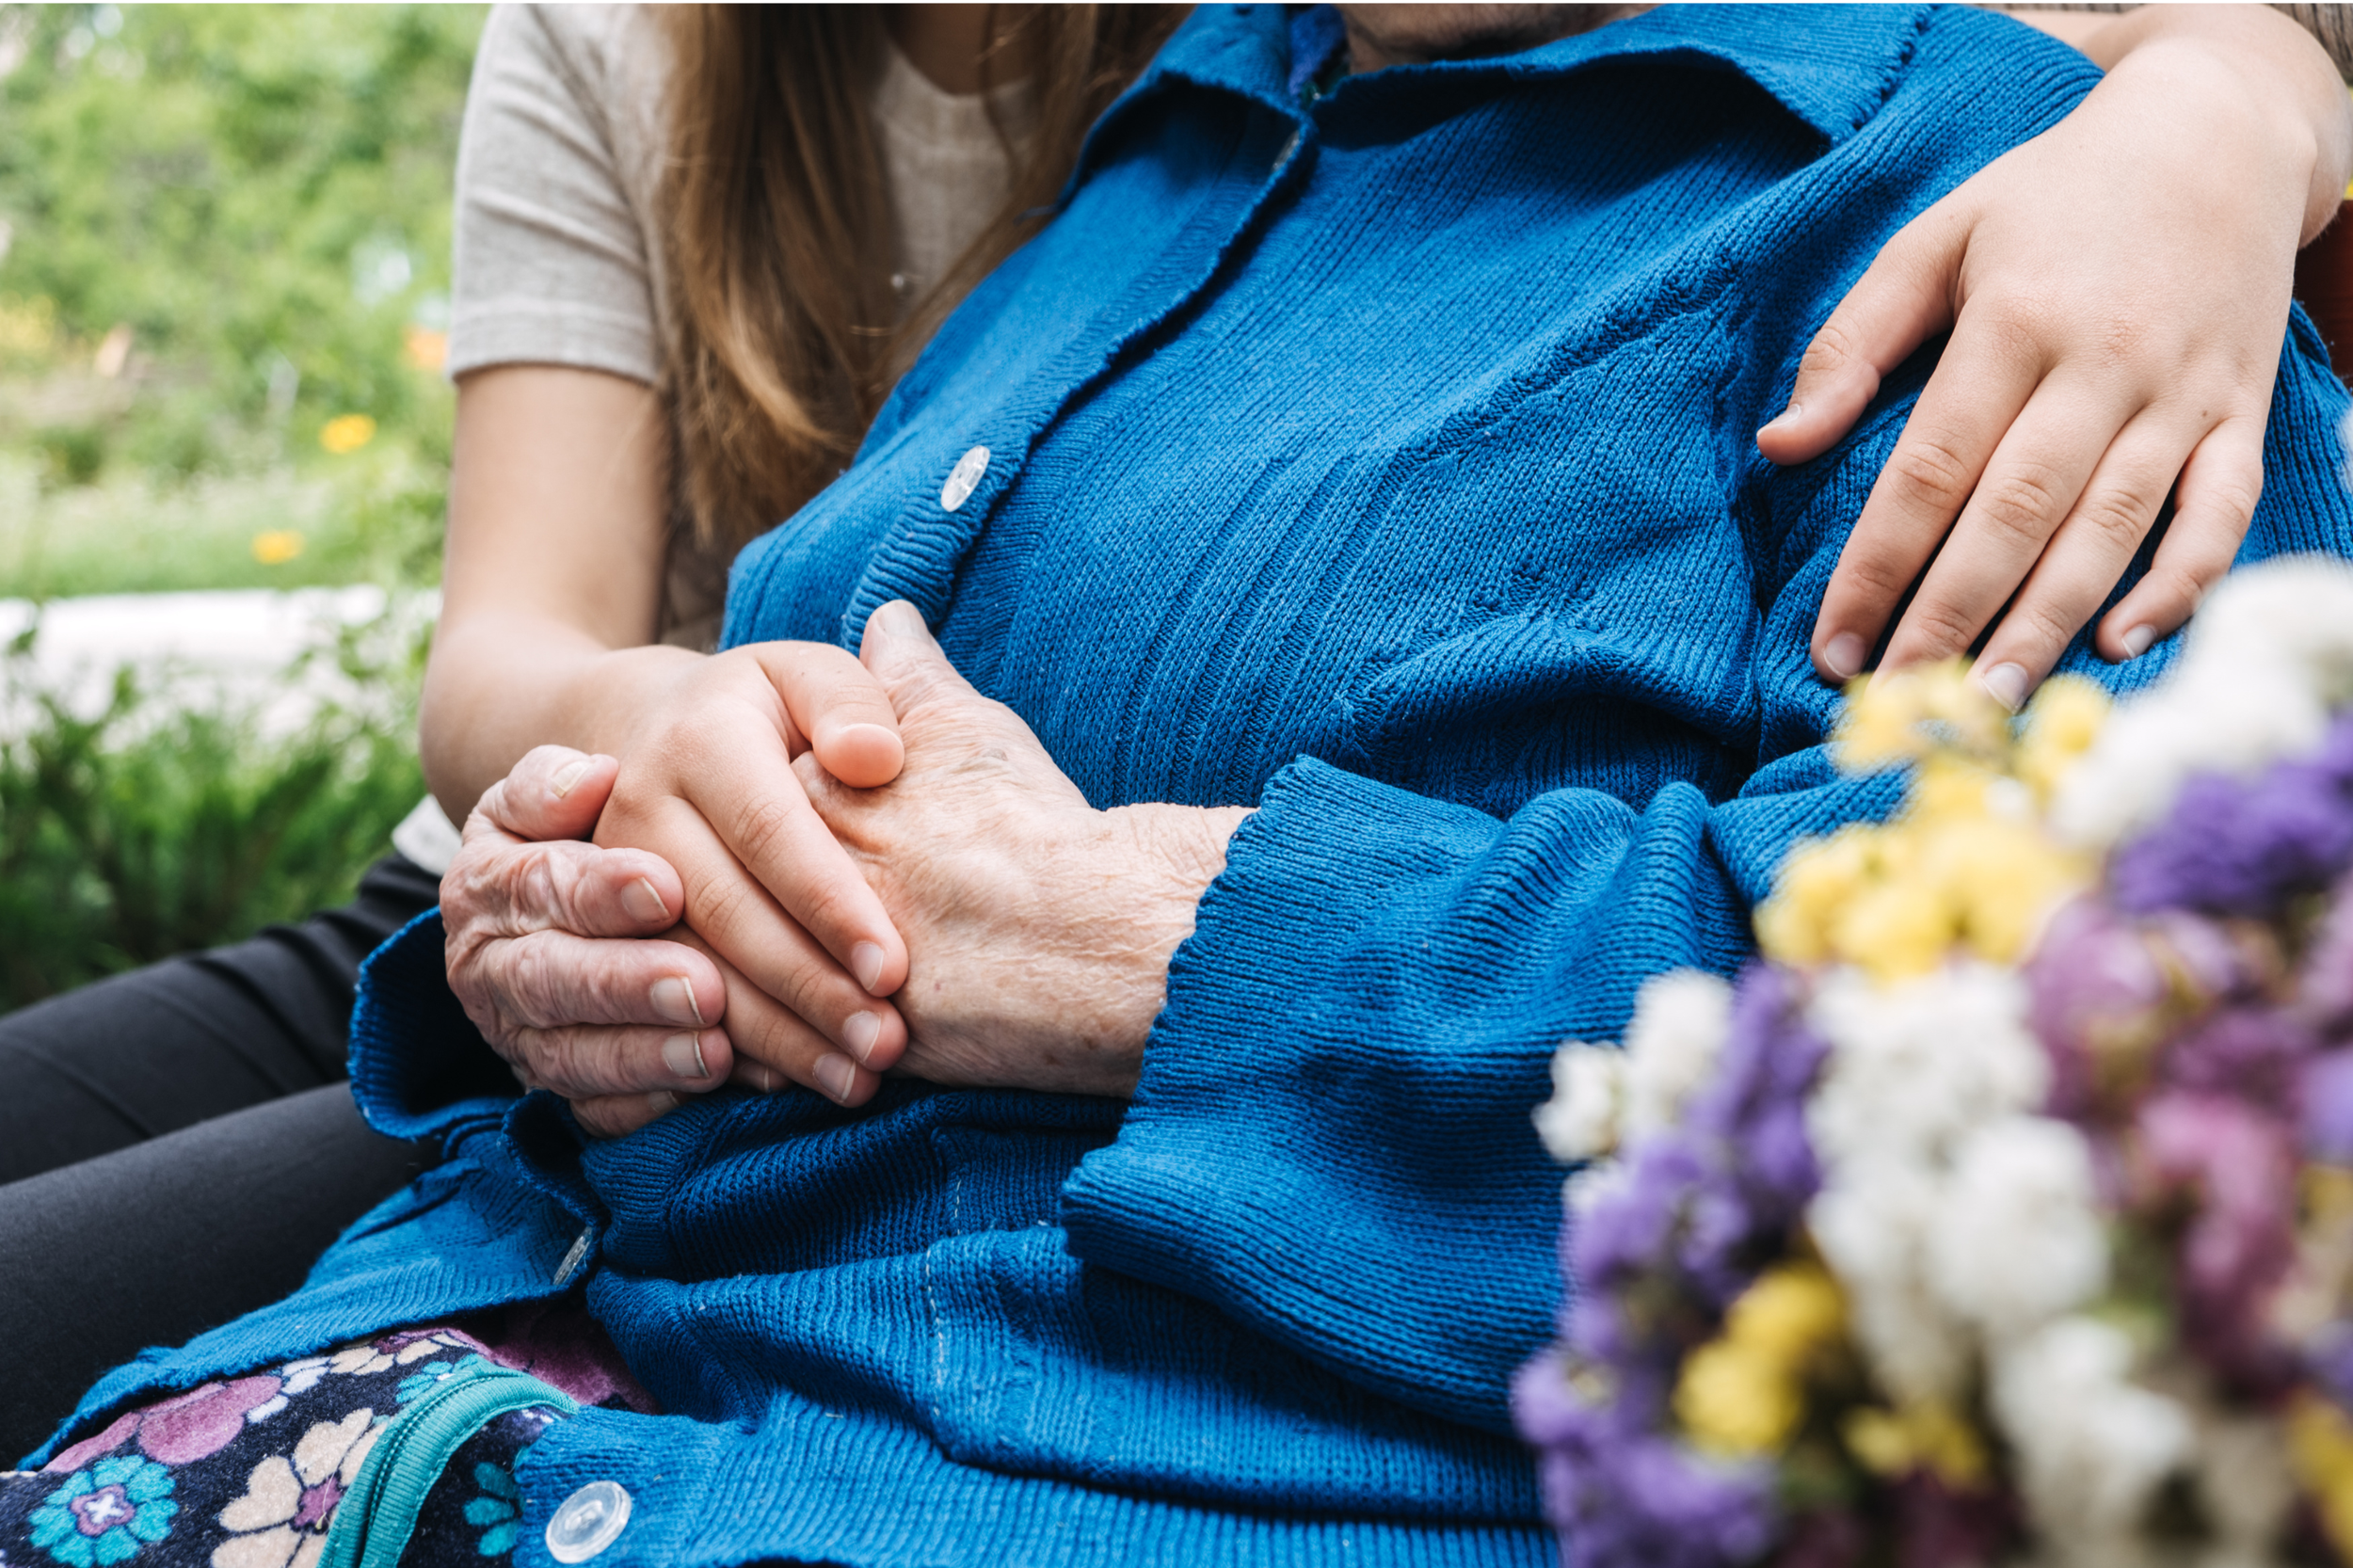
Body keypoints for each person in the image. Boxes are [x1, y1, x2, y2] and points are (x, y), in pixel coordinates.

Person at [17, 8, 2353, 1568]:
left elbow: (2103, 1110)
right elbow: (686, 716)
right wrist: (590, 925)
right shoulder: (1173, 123)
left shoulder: (1973, 208)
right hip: (507, 1332)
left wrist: (1129, 937)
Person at [0, 0, 1183, 1464]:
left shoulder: (1279, 56)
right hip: (514, 896)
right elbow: (502, 649)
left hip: (724, 1024)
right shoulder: (620, 41)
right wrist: (672, 717)